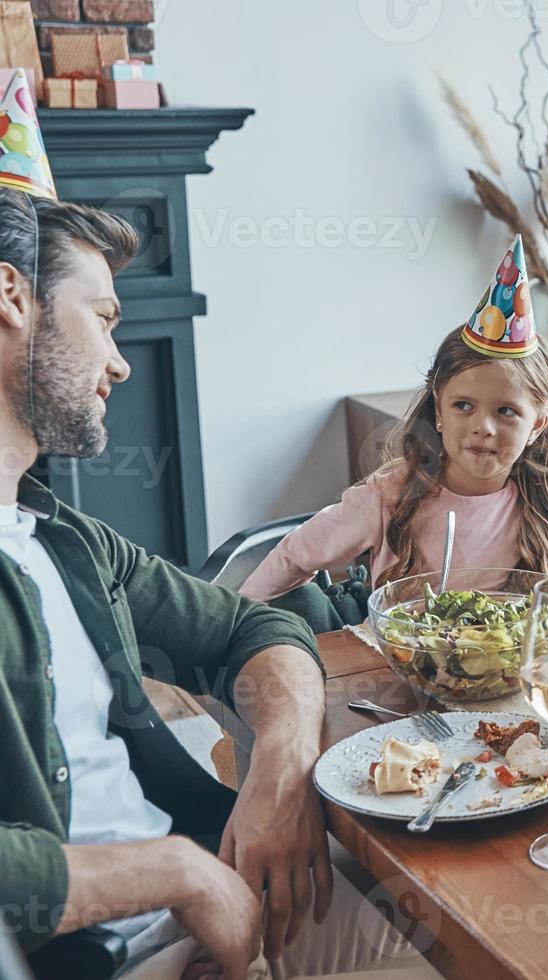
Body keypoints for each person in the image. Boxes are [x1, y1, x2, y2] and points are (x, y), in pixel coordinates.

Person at [0, 77, 426, 980]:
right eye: (105, 319)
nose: (120, 362)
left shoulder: (59, 534)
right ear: (11, 297)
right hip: (89, 953)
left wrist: (279, 759)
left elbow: (249, 624)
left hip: (211, 897)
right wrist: (172, 872)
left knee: (469, 943)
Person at [241, 236, 548, 607]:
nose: (484, 426)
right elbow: (296, 554)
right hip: (399, 661)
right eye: (463, 405)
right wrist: (238, 620)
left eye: (506, 411)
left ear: (537, 426)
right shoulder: (388, 497)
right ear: (439, 411)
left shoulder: (542, 503)